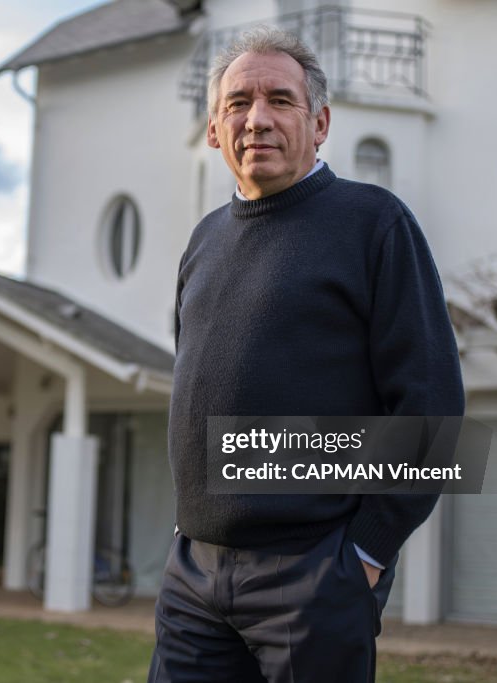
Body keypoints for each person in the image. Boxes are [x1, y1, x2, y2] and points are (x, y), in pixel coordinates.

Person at [148, 26, 464, 683]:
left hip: (313, 576)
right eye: (237, 103)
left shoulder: (375, 224)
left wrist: (366, 554)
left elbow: (430, 410)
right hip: (193, 578)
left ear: (319, 123)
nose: (256, 119)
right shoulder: (202, 244)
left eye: (279, 101)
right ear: (214, 130)